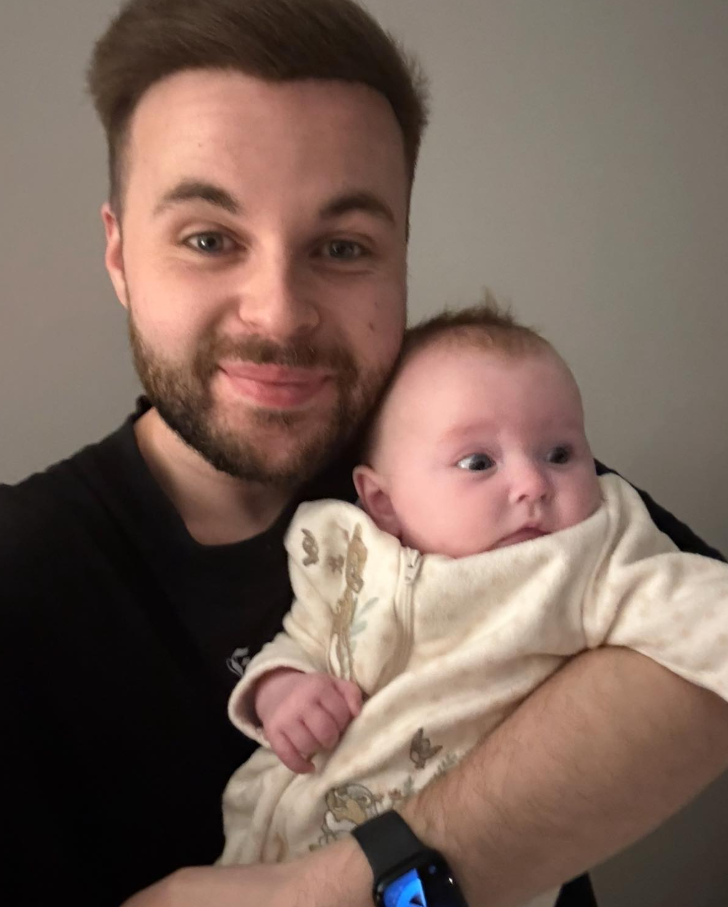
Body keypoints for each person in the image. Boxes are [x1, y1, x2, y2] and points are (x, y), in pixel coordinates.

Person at [1, 1, 726, 906]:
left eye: (343, 247)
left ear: (402, 257)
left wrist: (332, 889)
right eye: (209, 239)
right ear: (118, 255)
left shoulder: (478, 454)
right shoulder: (23, 579)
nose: (277, 313)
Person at [217, 305, 728, 906]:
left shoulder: (585, 558)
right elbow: (304, 637)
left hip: (456, 879)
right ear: (383, 502)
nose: (533, 484)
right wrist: (280, 689)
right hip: (266, 843)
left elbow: (698, 607)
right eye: (478, 462)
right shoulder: (340, 550)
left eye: (560, 454)